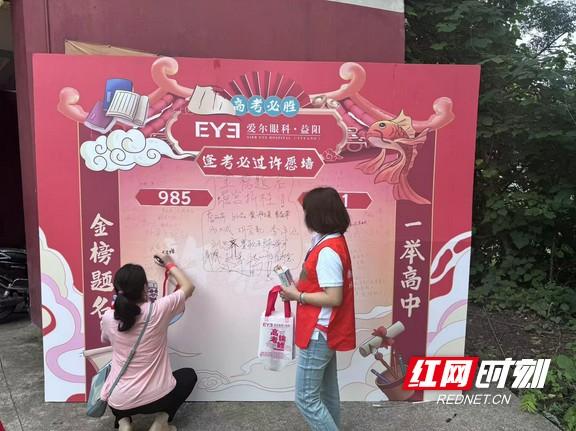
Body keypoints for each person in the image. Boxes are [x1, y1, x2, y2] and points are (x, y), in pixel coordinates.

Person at [280, 187, 356, 431]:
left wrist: (298, 295)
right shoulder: (332, 241)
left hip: (319, 331)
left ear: (317, 215)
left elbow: (334, 297)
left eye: (307, 212)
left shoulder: (327, 251)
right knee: (327, 392)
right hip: (326, 330)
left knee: (305, 399)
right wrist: (297, 288)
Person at [100, 255, 196, 431]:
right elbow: (188, 287)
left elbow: (106, 339)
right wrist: (169, 263)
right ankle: (161, 422)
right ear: (145, 287)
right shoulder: (158, 309)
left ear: (116, 289)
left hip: (120, 402)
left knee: (112, 383)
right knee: (189, 376)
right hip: (159, 398)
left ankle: (123, 422)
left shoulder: (108, 317)